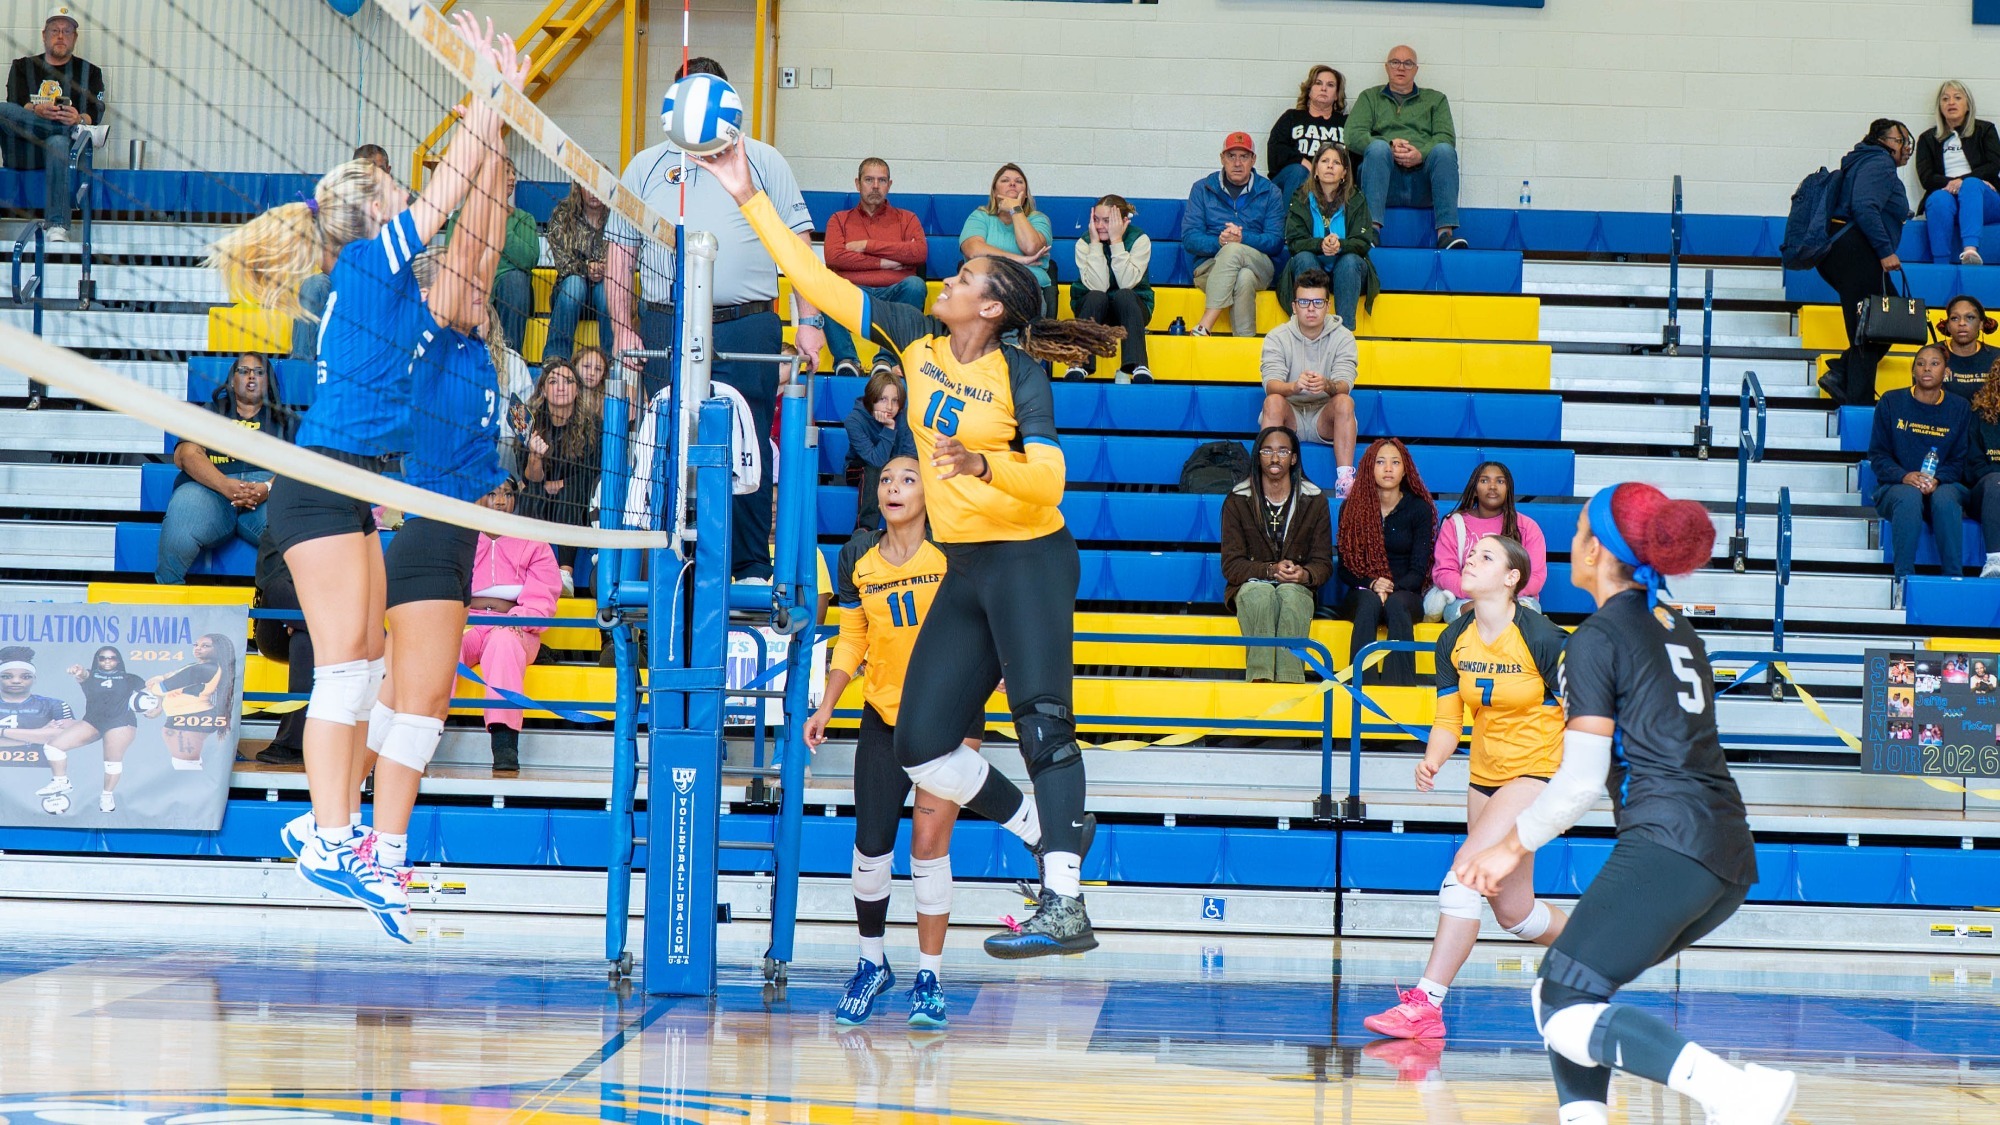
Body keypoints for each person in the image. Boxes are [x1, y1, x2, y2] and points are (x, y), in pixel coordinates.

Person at [693, 136, 1124, 958]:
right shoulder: (914, 344)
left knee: (1042, 724)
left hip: (1031, 558)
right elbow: (815, 278)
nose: (950, 282)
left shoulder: (1019, 372)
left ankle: (1065, 902)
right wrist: (749, 195)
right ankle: (1049, 829)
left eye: (967, 279)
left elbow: (1053, 481)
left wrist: (980, 463)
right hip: (966, 567)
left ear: (992, 307)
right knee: (922, 741)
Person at [204, 12, 511, 916]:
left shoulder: (398, 293)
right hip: (326, 480)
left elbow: (475, 240)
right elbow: (448, 195)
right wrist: (488, 100)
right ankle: (334, 836)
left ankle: (328, 831)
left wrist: (499, 127)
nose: (403, 200)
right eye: (392, 194)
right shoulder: (371, 266)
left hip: (354, 487)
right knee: (346, 670)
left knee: (362, 668)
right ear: (373, 211)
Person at [1455, 482, 1796, 1125]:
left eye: (1580, 529)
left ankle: (1733, 1090)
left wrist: (1508, 848)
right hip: (1723, 853)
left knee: (1561, 1002)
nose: (1570, 542)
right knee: (1570, 992)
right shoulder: (1676, 626)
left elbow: (1582, 780)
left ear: (1599, 551)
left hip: (1667, 842)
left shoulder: (1596, 637)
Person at [361, 130, 518, 943]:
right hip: (426, 531)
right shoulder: (438, 331)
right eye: (467, 286)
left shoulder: (468, 342)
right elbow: (471, 248)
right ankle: (377, 852)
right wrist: (488, 133)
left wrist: (504, 160)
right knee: (420, 704)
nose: (480, 289)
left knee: (405, 703)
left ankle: (346, 832)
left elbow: (484, 250)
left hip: (446, 536)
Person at [606, 56, 824, 581]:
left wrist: (809, 321)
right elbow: (620, 251)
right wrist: (621, 328)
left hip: (747, 323)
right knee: (666, 439)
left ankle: (751, 563)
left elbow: (798, 243)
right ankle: (666, 560)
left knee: (749, 439)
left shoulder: (764, 160)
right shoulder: (646, 164)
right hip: (666, 324)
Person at [1364, 534, 1569, 1046]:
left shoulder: (1544, 638)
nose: (1470, 560)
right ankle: (1599, 952)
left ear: (1511, 578)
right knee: (1516, 914)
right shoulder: (1453, 637)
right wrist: (1433, 759)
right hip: (1485, 774)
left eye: (1486, 556)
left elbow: (1586, 713)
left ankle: (1426, 1006)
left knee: (1463, 878)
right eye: (1470, 554)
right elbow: (1448, 717)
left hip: (1539, 771)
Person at [805, 457, 987, 1027]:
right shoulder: (858, 560)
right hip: (884, 716)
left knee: (929, 848)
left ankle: (929, 976)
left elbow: (987, 614)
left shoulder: (954, 553)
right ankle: (872, 963)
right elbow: (852, 637)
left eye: (908, 479)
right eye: (886, 480)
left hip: (950, 717)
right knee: (870, 848)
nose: (894, 487)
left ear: (928, 493)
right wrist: (828, 703)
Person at [155, 353, 297, 585]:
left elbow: (302, 464)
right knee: (183, 508)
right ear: (232, 380)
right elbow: (186, 455)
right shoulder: (209, 412)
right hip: (213, 491)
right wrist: (225, 486)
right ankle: (169, 603)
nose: (251, 376)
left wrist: (268, 487)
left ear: (268, 381)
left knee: (298, 529)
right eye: (244, 371)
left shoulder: (287, 420)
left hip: (267, 494)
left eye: (259, 372)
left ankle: (280, 615)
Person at [462, 479, 562, 774]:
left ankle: (505, 749)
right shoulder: (462, 537)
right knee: (442, 649)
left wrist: (507, 612)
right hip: (467, 625)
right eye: (492, 493)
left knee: (504, 644)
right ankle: (422, 739)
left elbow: (541, 599)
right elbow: (452, 591)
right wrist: (491, 605)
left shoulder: (533, 540)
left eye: (507, 494)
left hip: (517, 628)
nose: (500, 501)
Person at [1220, 426, 1333, 684]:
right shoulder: (1237, 499)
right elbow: (1231, 565)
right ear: (1258, 456)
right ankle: (1260, 681)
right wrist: (1269, 570)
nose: (1274, 458)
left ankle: (1289, 682)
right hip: (1251, 585)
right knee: (1261, 594)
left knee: (1290, 595)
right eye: (1267, 450)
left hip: (1296, 587)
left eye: (1283, 451)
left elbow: (1323, 564)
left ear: (1293, 458)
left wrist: (1304, 574)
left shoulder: (1314, 500)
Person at [1816, 119, 1915, 407]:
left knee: (1876, 328)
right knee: (1880, 327)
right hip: (1856, 252)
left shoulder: (1861, 161)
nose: (1906, 147)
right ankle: (1856, 402)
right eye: (1901, 140)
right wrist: (1885, 251)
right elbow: (1864, 206)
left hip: (1844, 253)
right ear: (1883, 141)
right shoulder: (1879, 162)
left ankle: (1843, 376)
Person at [1334, 438, 1434, 687]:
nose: (1388, 468)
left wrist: (1390, 588)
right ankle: (1360, 686)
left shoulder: (1419, 509)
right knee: (1367, 602)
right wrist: (1372, 584)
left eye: (1395, 462)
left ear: (1405, 468)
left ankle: (1398, 687)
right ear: (1370, 467)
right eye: (1381, 462)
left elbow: (1419, 570)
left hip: (1404, 591)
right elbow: (1346, 568)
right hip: (1363, 590)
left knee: (1397, 605)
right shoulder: (1352, 507)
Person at [1870, 343, 1972, 585]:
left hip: (1943, 486)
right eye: (1921, 363)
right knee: (1908, 496)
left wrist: (1937, 480)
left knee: (1946, 497)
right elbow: (1878, 454)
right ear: (1913, 370)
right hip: (1896, 488)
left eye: (1935, 364)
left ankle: (1953, 579)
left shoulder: (1959, 407)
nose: (1927, 368)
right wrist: (1905, 476)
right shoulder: (1891, 401)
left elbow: (1960, 460)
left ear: (1946, 372)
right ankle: (1903, 580)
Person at [1, 6, 103, 243]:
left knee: (58, 142)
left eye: (67, 31)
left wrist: (79, 117)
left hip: (60, 152)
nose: (60, 36)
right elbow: (13, 108)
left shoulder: (89, 72)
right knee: (2, 110)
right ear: (44, 35)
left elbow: (96, 113)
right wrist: (35, 110)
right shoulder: (22, 66)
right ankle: (70, 130)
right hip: (23, 150)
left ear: (74, 38)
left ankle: (58, 226)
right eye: (55, 30)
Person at [1346, 47, 1464, 251]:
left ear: (1416, 69)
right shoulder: (1369, 97)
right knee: (1377, 148)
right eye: (1395, 62)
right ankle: (1371, 232)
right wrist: (1389, 145)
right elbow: (1352, 135)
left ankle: (1445, 235)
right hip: (1383, 180)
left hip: (1423, 183)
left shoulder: (1436, 99)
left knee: (1444, 150)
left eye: (1408, 63)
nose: (1401, 68)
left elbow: (1446, 136)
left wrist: (1421, 154)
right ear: (1386, 67)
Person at [824, 158, 929, 379]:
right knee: (824, 286)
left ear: (889, 185)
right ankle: (846, 360)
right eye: (869, 180)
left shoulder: (907, 219)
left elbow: (918, 253)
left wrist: (866, 246)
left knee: (915, 285)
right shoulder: (839, 220)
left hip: (893, 295)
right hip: (853, 296)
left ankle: (886, 360)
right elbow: (834, 258)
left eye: (881, 181)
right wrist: (886, 262)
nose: (875, 186)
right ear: (857, 183)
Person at [1258, 269, 1359, 496]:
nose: (1311, 308)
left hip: (1325, 414)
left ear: (1328, 305)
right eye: (1304, 302)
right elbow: (1270, 383)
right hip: (1290, 413)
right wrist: (1294, 386)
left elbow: (1345, 383)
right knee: (1273, 401)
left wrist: (1327, 385)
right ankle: (1266, 481)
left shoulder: (1343, 337)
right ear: (1294, 306)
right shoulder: (1277, 336)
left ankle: (1344, 480)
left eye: (1317, 302)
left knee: (1344, 401)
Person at [1181, 132, 1286, 337]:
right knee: (1243, 277)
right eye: (1231, 156)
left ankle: (1205, 324)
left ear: (1253, 160)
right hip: (1209, 268)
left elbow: (1275, 241)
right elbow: (1190, 238)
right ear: (1222, 158)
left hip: (1259, 265)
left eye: (1244, 156)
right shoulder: (1202, 188)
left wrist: (1242, 239)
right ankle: (1245, 345)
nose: (1237, 163)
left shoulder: (1270, 191)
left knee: (1235, 250)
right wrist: (1220, 242)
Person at [521, 356, 603, 594]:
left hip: (577, 498)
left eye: (568, 382)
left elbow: (592, 474)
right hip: (541, 495)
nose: (560, 387)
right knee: (531, 493)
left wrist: (560, 483)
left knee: (572, 490)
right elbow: (530, 479)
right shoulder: (530, 424)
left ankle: (565, 573)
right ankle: (534, 570)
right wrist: (535, 456)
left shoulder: (593, 426)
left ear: (577, 390)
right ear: (543, 390)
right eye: (553, 382)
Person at [441, 156, 539, 353]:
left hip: (510, 290)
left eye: (513, 173)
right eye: (505, 172)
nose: (512, 178)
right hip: (472, 286)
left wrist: (499, 221)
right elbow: (452, 257)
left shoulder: (524, 219)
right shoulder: (462, 217)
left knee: (516, 280)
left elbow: (529, 259)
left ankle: (509, 357)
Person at [1430, 461, 1548, 619]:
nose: (1492, 486)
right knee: (1472, 612)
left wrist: (1500, 595)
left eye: (1500, 481)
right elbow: (1444, 573)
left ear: (1508, 489)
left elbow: (1535, 577)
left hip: (1516, 599)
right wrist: (1480, 593)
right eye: (1484, 480)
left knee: (1522, 614)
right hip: (1467, 599)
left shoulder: (1527, 527)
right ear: (1475, 489)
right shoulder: (1455, 524)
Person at [1279, 143, 1376, 330]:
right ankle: (1308, 329)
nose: (1330, 166)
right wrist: (1320, 245)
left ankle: (1344, 333)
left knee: (1349, 262)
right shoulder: (1300, 197)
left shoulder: (1357, 199)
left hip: (1348, 272)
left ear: (1344, 173)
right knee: (1304, 257)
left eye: (1336, 162)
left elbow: (1363, 242)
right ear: (1315, 169)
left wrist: (1340, 245)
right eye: (1324, 161)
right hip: (1311, 266)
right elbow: (1294, 241)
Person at [31, 646, 139, 814]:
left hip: (121, 721)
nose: (107, 661)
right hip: (93, 721)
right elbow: (82, 674)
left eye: (111, 658)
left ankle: (106, 795)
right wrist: (78, 670)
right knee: (52, 747)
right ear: (97, 660)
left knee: (111, 761)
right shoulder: (91, 675)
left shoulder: (130, 678)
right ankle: (61, 780)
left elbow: (151, 696)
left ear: (118, 660)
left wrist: (154, 709)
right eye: (102, 658)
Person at [1068, 194, 1154, 383]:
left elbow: (1126, 282)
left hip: (1132, 309)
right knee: (1096, 296)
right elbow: (1099, 286)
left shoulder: (1140, 240)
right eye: (1096, 220)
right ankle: (1079, 363)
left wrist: (1116, 242)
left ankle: (1138, 366)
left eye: (1107, 221)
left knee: (1125, 295)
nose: (1099, 226)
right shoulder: (1084, 243)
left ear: (1124, 222)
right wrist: (1096, 245)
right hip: (1095, 308)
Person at [1916, 81, 2000, 266]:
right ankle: (1941, 265)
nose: (1950, 102)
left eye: (1957, 98)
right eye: (1945, 99)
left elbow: (1994, 165)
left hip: (1984, 199)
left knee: (1971, 185)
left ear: (1968, 104)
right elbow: (1926, 177)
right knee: (1938, 199)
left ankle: (1970, 251)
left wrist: (1964, 181)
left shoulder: (1985, 130)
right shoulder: (1927, 139)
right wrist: (1953, 184)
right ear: (1939, 106)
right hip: (1947, 194)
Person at [958, 163, 1056, 317]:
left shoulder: (1038, 219)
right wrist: (1020, 261)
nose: (1012, 184)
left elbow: (1031, 247)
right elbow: (974, 251)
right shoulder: (980, 216)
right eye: (1005, 180)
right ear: (994, 191)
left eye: (1019, 181)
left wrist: (1015, 209)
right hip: (986, 287)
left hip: (1026, 290)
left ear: (1025, 193)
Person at [251, 527, 310, 766]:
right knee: (279, 585)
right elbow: (274, 581)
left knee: (305, 640)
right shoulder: (281, 521)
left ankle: (293, 744)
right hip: (276, 625)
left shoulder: (343, 524)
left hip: (316, 623)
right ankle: (314, 622)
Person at [147, 633, 238, 770]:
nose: (198, 648)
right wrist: (162, 681)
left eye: (205, 646)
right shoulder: (198, 666)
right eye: (196, 645)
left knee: (188, 771)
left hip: (190, 718)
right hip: (188, 718)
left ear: (218, 649)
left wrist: (158, 683)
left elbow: (159, 688)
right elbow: (167, 678)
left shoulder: (202, 669)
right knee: (186, 769)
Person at [544, 182, 612, 362]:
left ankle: (613, 361)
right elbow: (562, 262)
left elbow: (626, 257)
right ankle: (556, 358)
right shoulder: (563, 214)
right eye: (589, 186)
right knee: (575, 284)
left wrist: (606, 268)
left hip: (604, 295)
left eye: (598, 186)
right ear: (579, 188)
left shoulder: (617, 217)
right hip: (569, 292)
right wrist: (586, 269)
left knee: (605, 289)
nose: (594, 192)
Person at [844, 371, 917, 531]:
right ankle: (864, 531)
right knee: (874, 470)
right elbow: (876, 460)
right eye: (883, 399)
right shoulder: (854, 421)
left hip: (895, 467)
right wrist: (889, 429)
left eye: (895, 401)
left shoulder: (905, 417)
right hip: (860, 467)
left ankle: (921, 530)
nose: (890, 407)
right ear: (872, 398)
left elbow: (910, 456)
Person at [1266, 64, 1347, 203]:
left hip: (1332, 181)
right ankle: (1291, 224)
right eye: (1318, 83)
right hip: (1294, 179)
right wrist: (1304, 163)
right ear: (1309, 90)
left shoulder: (1346, 123)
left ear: (1336, 95)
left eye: (1330, 85)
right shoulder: (1292, 117)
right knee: (1299, 172)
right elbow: (1275, 151)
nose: (1323, 88)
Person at [2, 649, 74, 798]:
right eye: (7, 676)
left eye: (25, 676)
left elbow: (65, 737)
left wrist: (3, 732)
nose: (16, 681)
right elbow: (49, 738)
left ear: (35, 678)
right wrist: (39, 735)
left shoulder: (54, 705)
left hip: (42, 777)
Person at [1961, 359, 2000, 577]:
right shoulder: (1979, 415)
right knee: (1996, 482)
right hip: (1984, 493)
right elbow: (1973, 466)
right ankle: (1995, 561)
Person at [1939, 295, 2000, 399]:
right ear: (1948, 326)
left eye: (1970, 317)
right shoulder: (1931, 355)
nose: (1962, 323)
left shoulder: (1997, 358)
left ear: (1981, 324)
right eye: (1955, 318)